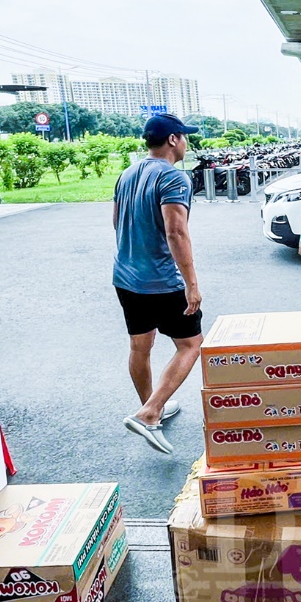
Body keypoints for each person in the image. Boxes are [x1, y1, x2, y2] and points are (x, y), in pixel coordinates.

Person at [114, 113, 202, 454]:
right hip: (162, 281)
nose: (186, 142)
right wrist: (191, 284)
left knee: (140, 347)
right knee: (191, 344)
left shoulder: (127, 173)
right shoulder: (174, 178)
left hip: (125, 275)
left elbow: (116, 221)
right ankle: (150, 413)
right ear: (172, 140)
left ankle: (152, 406)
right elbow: (176, 231)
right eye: (184, 136)